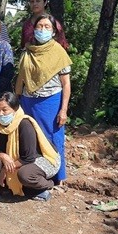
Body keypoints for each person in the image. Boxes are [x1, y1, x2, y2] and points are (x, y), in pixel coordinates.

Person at [15, 14, 72, 186]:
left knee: (53, 138)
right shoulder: (28, 50)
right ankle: (34, 173)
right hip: (27, 100)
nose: (42, 30)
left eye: (47, 27)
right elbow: (22, 77)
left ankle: (58, 177)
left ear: (54, 31)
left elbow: (66, 84)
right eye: (39, 26)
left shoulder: (59, 52)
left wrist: (63, 110)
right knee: (29, 137)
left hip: (50, 102)